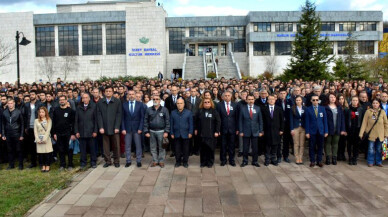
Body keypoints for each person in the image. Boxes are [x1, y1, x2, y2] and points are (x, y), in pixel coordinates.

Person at [97, 86, 122, 168]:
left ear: (112, 92)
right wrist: (101, 127)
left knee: (116, 145)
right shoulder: (100, 102)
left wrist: (117, 127)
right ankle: (108, 161)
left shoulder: (117, 101)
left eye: (110, 91)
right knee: (106, 146)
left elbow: (119, 115)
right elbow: (99, 115)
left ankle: (116, 161)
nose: (108, 92)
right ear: (104, 92)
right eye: (106, 91)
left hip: (114, 127)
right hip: (104, 127)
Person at [359, 99, 388, 167]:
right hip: (371, 134)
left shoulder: (382, 112)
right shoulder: (368, 112)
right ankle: (370, 161)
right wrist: (361, 133)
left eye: (376, 103)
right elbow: (364, 123)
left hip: (380, 134)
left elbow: (386, 124)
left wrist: (386, 134)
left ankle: (378, 161)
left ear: (379, 104)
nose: (375, 104)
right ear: (372, 104)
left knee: (378, 149)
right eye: (374, 103)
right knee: (371, 148)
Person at [144, 94, 170, 168]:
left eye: (157, 99)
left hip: (161, 131)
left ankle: (161, 161)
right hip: (151, 131)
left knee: (162, 147)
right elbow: (145, 121)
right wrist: (146, 131)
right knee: (153, 147)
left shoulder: (164, 109)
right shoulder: (149, 109)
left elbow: (167, 121)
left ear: (160, 100)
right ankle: (155, 160)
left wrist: (166, 131)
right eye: (154, 99)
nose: (155, 100)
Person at [121, 90, 145, 168]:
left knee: (138, 145)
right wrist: (123, 128)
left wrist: (140, 128)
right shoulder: (124, 105)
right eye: (129, 94)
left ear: (135, 95)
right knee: (127, 146)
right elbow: (122, 118)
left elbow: (142, 118)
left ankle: (138, 160)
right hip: (127, 129)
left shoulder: (140, 105)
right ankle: (128, 161)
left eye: (132, 94)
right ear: (127, 95)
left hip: (137, 128)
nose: (131, 96)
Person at [75, 93, 98, 170]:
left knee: (92, 148)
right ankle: (83, 162)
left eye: (86, 97)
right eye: (83, 98)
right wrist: (76, 131)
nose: (85, 99)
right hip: (81, 132)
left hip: (91, 131)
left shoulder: (93, 107)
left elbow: (96, 120)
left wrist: (95, 131)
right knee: (83, 149)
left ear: (89, 98)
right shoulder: (79, 108)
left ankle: (93, 162)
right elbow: (76, 121)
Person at [239, 94, 263, 167]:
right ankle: (245, 161)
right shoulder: (242, 108)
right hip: (245, 131)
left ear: (254, 100)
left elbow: (260, 120)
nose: (250, 101)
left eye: (252, 99)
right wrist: (241, 131)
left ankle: (255, 161)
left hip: (255, 131)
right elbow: (240, 121)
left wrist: (261, 131)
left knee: (255, 148)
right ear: (246, 100)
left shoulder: (258, 108)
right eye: (249, 99)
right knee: (245, 148)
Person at [195, 98, 221, 168]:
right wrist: (196, 129)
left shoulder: (214, 111)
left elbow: (218, 122)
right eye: (205, 102)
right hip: (202, 134)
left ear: (211, 103)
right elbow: (196, 121)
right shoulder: (199, 111)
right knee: (203, 150)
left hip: (211, 134)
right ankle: (203, 162)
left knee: (210, 149)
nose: (207, 103)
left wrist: (217, 131)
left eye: (208, 102)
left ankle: (210, 162)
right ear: (202, 103)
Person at [52, 95, 76, 171]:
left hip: (68, 133)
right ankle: (62, 164)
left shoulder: (71, 111)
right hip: (58, 133)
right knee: (61, 149)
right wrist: (54, 133)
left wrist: (73, 134)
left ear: (66, 101)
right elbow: (53, 122)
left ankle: (70, 164)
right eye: (60, 100)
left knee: (69, 149)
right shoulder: (56, 110)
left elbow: (74, 123)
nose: (61, 101)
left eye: (63, 100)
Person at [305, 94, 328, 168]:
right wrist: (307, 132)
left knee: (320, 146)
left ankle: (319, 160)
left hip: (321, 131)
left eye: (317, 100)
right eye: (314, 100)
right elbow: (307, 122)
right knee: (312, 146)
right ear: (311, 101)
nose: (315, 101)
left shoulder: (322, 108)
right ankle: (312, 161)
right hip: (312, 131)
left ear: (319, 101)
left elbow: (325, 121)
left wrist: (326, 131)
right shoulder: (308, 109)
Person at [217, 91, 239, 167]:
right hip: (222, 129)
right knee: (223, 145)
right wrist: (218, 129)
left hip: (232, 129)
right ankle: (223, 160)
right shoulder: (219, 105)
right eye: (225, 95)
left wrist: (237, 129)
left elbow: (237, 118)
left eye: (228, 95)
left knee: (232, 145)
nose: (227, 97)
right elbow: (218, 118)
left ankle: (231, 160)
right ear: (223, 97)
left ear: (231, 96)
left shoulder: (235, 105)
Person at [1, 98, 24, 170]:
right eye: (9, 103)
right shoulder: (4, 112)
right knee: (10, 150)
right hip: (8, 134)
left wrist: (21, 135)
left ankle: (20, 165)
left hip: (16, 133)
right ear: (7, 104)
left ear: (14, 103)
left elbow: (22, 124)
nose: (10, 105)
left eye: (11, 103)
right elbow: (3, 124)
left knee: (19, 150)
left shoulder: (18, 112)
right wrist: (3, 134)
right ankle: (11, 165)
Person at [170, 98, 193, 168]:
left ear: (184, 104)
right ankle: (178, 161)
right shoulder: (173, 113)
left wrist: (190, 132)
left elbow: (191, 124)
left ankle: (185, 162)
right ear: (176, 104)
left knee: (186, 149)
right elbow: (171, 124)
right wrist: (171, 133)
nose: (179, 105)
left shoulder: (188, 112)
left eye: (181, 103)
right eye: (178, 103)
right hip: (176, 134)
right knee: (177, 149)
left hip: (186, 134)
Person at [324, 93, 346, 165]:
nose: (332, 98)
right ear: (328, 99)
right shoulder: (325, 107)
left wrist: (342, 129)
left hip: (337, 128)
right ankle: (327, 158)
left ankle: (334, 157)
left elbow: (342, 119)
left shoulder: (339, 107)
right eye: (331, 97)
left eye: (334, 97)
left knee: (335, 143)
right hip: (329, 128)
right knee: (328, 143)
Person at [262, 95, 284, 166]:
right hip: (267, 130)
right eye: (270, 99)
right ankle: (267, 159)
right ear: (267, 101)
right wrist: (262, 130)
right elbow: (262, 120)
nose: (271, 101)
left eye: (273, 99)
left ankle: (273, 159)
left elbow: (282, 120)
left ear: (275, 100)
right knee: (267, 145)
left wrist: (281, 129)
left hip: (276, 130)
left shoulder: (279, 109)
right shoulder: (264, 109)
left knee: (275, 145)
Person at [24, 90, 42, 168]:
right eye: (30, 94)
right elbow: (25, 116)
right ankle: (33, 162)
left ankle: (41, 162)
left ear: (35, 95)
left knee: (40, 145)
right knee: (32, 146)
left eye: (33, 94)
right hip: (30, 128)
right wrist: (26, 127)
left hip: (38, 127)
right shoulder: (26, 105)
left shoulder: (40, 104)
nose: (31, 96)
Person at [345, 96, 363, 165]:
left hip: (357, 129)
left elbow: (362, 120)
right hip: (349, 129)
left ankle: (355, 157)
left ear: (358, 101)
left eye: (356, 100)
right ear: (351, 101)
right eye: (353, 100)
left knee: (356, 145)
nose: (355, 102)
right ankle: (350, 157)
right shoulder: (348, 110)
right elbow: (346, 120)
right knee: (349, 144)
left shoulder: (360, 109)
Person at [33, 107, 53, 172]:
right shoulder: (36, 120)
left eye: (43, 112)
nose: (41, 113)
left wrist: (44, 139)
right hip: (39, 139)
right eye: (40, 112)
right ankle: (43, 165)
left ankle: (47, 165)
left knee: (47, 153)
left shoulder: (49, 120)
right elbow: (35, 131)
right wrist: (37, 139)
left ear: (45, 113)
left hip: (46, 139)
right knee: (41, 154)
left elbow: (48, 130)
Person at [276, 88, 292, 163]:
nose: (282, 95)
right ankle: (278, 156)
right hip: (279, 125)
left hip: (287, 125)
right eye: (281, 93)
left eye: (284, 93)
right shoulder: (276, 102)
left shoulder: (290, 102)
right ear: (279, 94)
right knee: (278, 141)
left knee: (286, 141)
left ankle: (285, 156)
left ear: (286, 94)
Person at [290, 95, 306, 165]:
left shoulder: (305, 108)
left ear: (302, 101)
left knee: (302, 144)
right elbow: (291, 119)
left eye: (299, 100)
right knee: (296, 143)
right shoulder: (292, 108)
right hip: (295, 127)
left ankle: (300, 157)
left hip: (303, 127)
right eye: (297, 100)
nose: (298, 101)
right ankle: (297, 158)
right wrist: (291, 129)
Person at [186, 88, 201, 156]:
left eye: (194, 91)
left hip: (197, 119)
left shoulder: (200, 100)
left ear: (196, 92)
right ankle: (190, 150)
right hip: (189, 119)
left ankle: (196, 150)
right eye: (191, 91)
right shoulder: (187, 100)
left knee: (197, 136)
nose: (193, 92)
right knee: (190, 135)